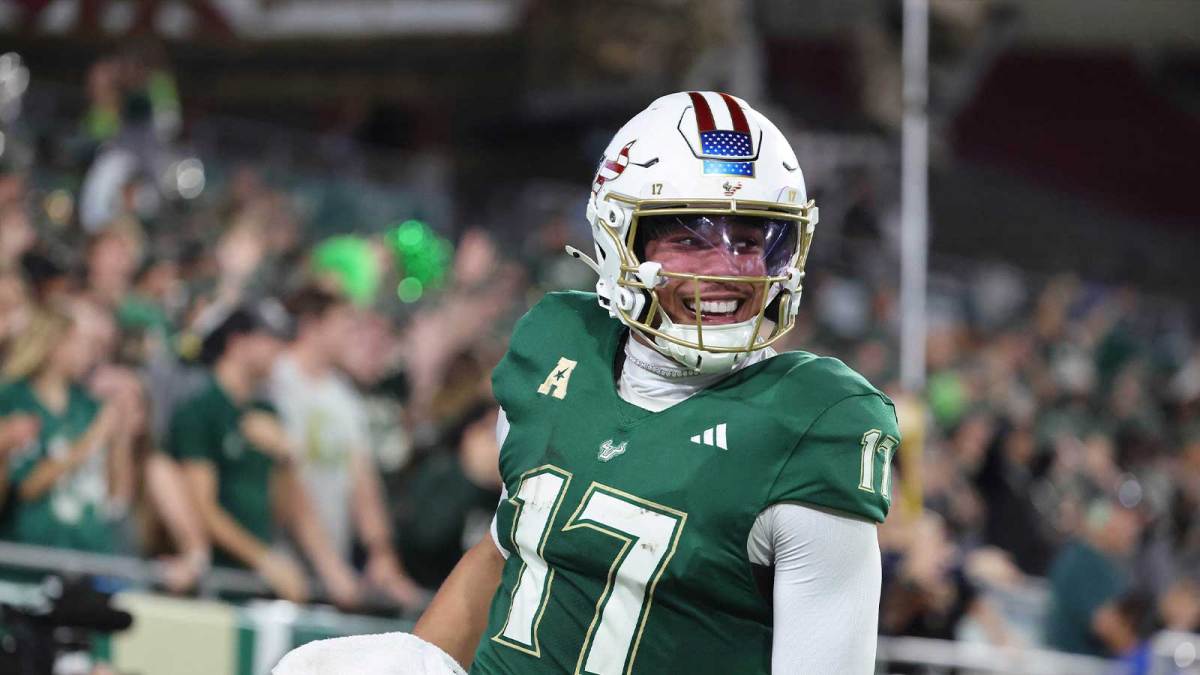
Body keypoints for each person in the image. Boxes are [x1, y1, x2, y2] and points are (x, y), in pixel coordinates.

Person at [278, 92, 899, 675]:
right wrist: (421, 659)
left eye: (750, 241)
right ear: (616, 237)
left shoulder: (811, 420)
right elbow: (506, 550)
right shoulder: (558, 346)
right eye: (690, 238)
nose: (731, 271)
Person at [166, 301, 359, 606]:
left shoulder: (267, 412)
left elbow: (284, 509)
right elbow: (201, 507)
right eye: (269, 338)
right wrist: (265, 560)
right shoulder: (201, 410)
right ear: (238, 342)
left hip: (259, 580)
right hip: (216, 580)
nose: (279, 350)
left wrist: (286, 458)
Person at [269, 285, 423, 607]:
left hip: (329, 571)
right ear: (313, 325)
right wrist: (328, 564)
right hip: (277, 561)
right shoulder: (276, 380)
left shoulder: (343, 396)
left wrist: (381, 554)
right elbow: (284, 478)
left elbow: (362, 482)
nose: (350, 336)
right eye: (343, 326)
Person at [0, 304, 134, 557]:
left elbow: (118, 497)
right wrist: (93, 438)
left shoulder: (90, 406)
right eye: (80, 342)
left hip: (87, 556)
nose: (88, 353)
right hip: (27, 556)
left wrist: (121, 439)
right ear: (54, 345)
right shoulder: (13, 399)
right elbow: (26, 486)